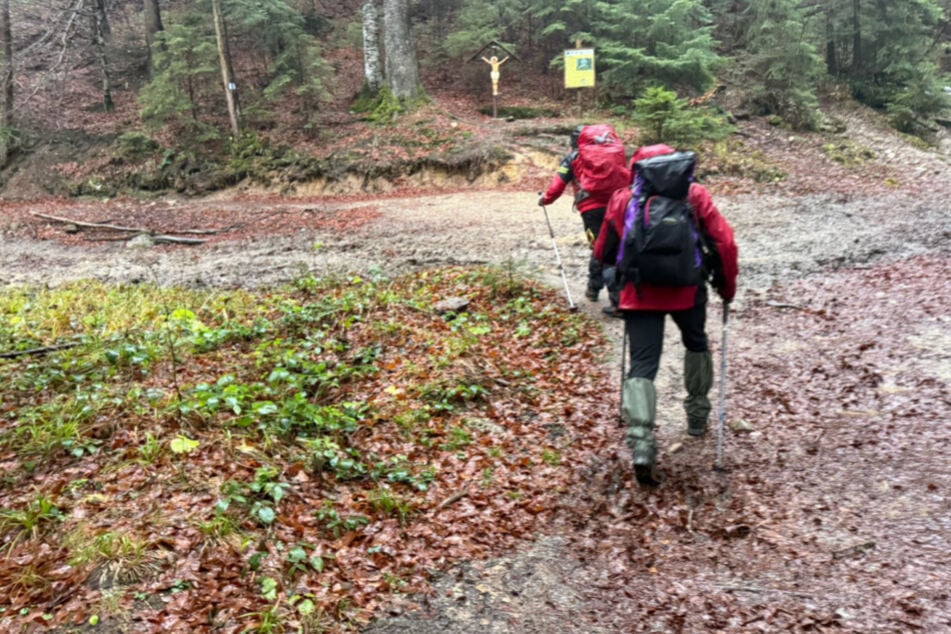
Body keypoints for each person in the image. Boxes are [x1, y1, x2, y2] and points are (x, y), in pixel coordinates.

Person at [593, 144, 738, 486]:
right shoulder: (694, 194)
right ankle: (698, 417)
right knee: (696, 343)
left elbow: (604, 251)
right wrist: (726, 286)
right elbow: (724, 243)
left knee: (642, 364)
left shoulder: (621, 199)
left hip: (639, 294)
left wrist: (615, 276)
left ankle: (642, 444)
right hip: (688, 290)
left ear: (637, 168)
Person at [539, 125, 627, 315]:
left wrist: (545, 200)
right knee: (613, 247)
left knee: (600, 249)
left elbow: (557, 186)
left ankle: (616, 301)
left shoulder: (573, 158)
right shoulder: (614, 152)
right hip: (619, 205)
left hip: (591, 210)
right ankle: (594, 288)